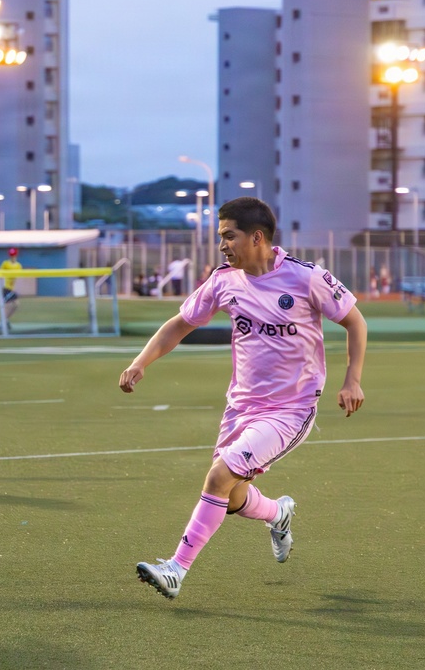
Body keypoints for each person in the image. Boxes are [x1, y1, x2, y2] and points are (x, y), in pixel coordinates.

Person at [119, 197, 367, 600]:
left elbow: (355, 321)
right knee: (231, 496)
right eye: (220, 237)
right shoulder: (223, 280)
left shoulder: (307, 278)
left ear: (256, 237)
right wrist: (141, 361)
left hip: (291, 409)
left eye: (228, 236)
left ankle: (176, 569)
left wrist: (351, 380)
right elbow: (181, 324)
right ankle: (277, 512)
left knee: (218, 477)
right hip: (241, 407)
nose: (222, 245)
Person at [0, 247, 23, 328]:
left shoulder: (18, 265)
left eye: (14, 255)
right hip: (6, 287)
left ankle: (5, 320)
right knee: (8, 305)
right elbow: (0, 274)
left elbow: (18, 278)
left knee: (16, 304)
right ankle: (2, 322)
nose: (13, 256)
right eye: (11, 255)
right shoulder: (5, 263)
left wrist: (17, 288)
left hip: (12, 288)